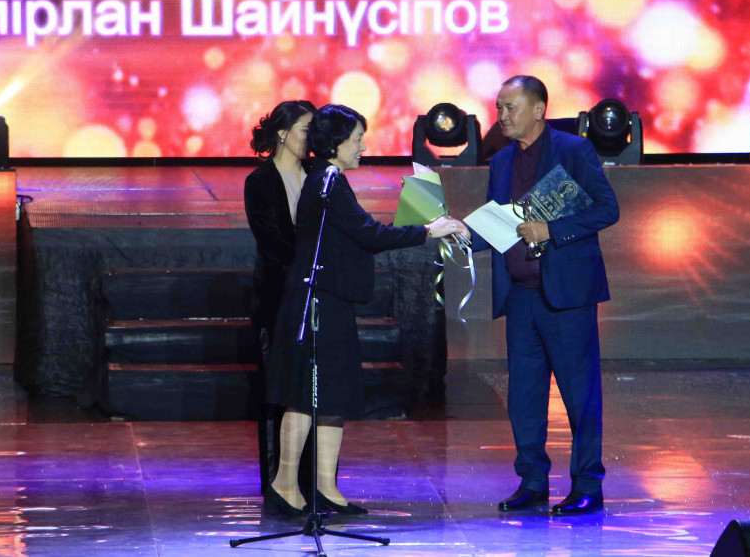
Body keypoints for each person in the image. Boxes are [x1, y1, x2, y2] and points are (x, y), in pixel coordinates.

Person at [264, 104, 466, 517]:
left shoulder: (331, 180)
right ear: (335, 143)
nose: (363, 147)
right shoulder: (328, 181)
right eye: (357, 139)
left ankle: (325, 487)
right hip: (316, 301)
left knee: (333, 394)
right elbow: (369, 234)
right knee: (305, 395)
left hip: (333, 299)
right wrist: (428, 231)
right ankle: (284, 484)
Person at [467, 75, 619, 516]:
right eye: (498, 108)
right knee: (524, 396)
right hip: (520, 296)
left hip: (566, 297)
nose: (502, 116)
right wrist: (460, 234)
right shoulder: (501, 161)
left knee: (579, 394)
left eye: (510, 107)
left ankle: (587, 484)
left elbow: (607, 208)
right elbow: (498, 225)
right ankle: (532, 481)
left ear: (538, 110)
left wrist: (552, 230)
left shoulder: (574, 150)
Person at [244, 100, 316, 495]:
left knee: (315, 392)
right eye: (306, 128)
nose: (312, 137)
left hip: (317, 298)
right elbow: (272, 241)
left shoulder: (320, 176)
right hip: (278, 300)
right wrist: (313, 258)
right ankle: (277, 484)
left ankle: (315, 484)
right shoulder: (259, 182)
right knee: (277, 393)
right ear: (283, 133)